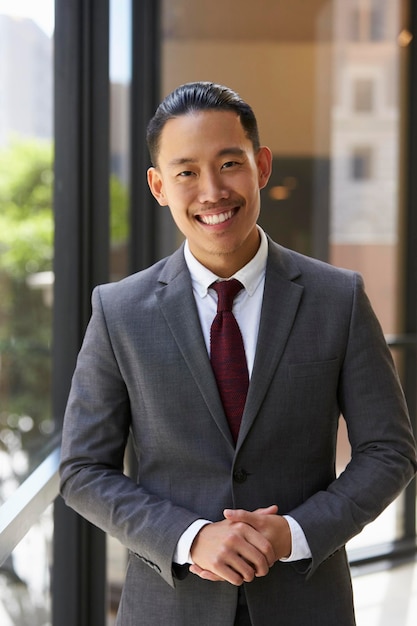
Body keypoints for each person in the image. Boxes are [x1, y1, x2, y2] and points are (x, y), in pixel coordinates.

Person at [59, 81, 417, 626]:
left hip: (307, 603)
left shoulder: (337, 298)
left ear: (261, 166)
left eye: (230, 163)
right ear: (158, 186)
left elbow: (389, 451)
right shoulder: (119, 311)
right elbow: (83, 469)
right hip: (169, 606)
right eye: (186, 172)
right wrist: (189, 537)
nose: (211, 191)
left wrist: (294, 533)